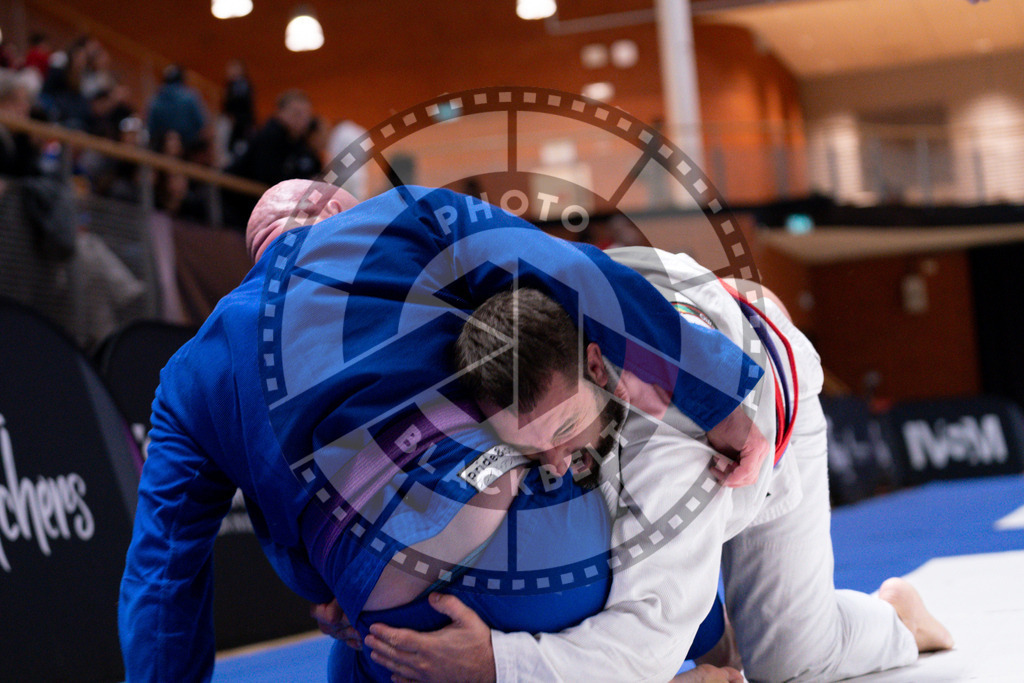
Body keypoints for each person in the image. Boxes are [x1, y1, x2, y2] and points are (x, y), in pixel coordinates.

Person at [119, 181, 765, 681]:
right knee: (615, 469)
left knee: (360, 650)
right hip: (539, 548)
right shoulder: (403, 216)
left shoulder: (190, 374)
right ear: (344, 208)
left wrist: (334, 581)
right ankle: (713, 649)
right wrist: (715, 398)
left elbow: (163, 574)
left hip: (389, 599)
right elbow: (578, 276)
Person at [364, 257, 954, 682]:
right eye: (528, 447)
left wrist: (499, 665)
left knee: (788, 663)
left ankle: (897, 615)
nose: (556, 464)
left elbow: (645, 643)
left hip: (768, 403)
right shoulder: (520, 296)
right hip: (707, 307)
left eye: (566, 431)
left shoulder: (669, 445)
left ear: (599, 367)